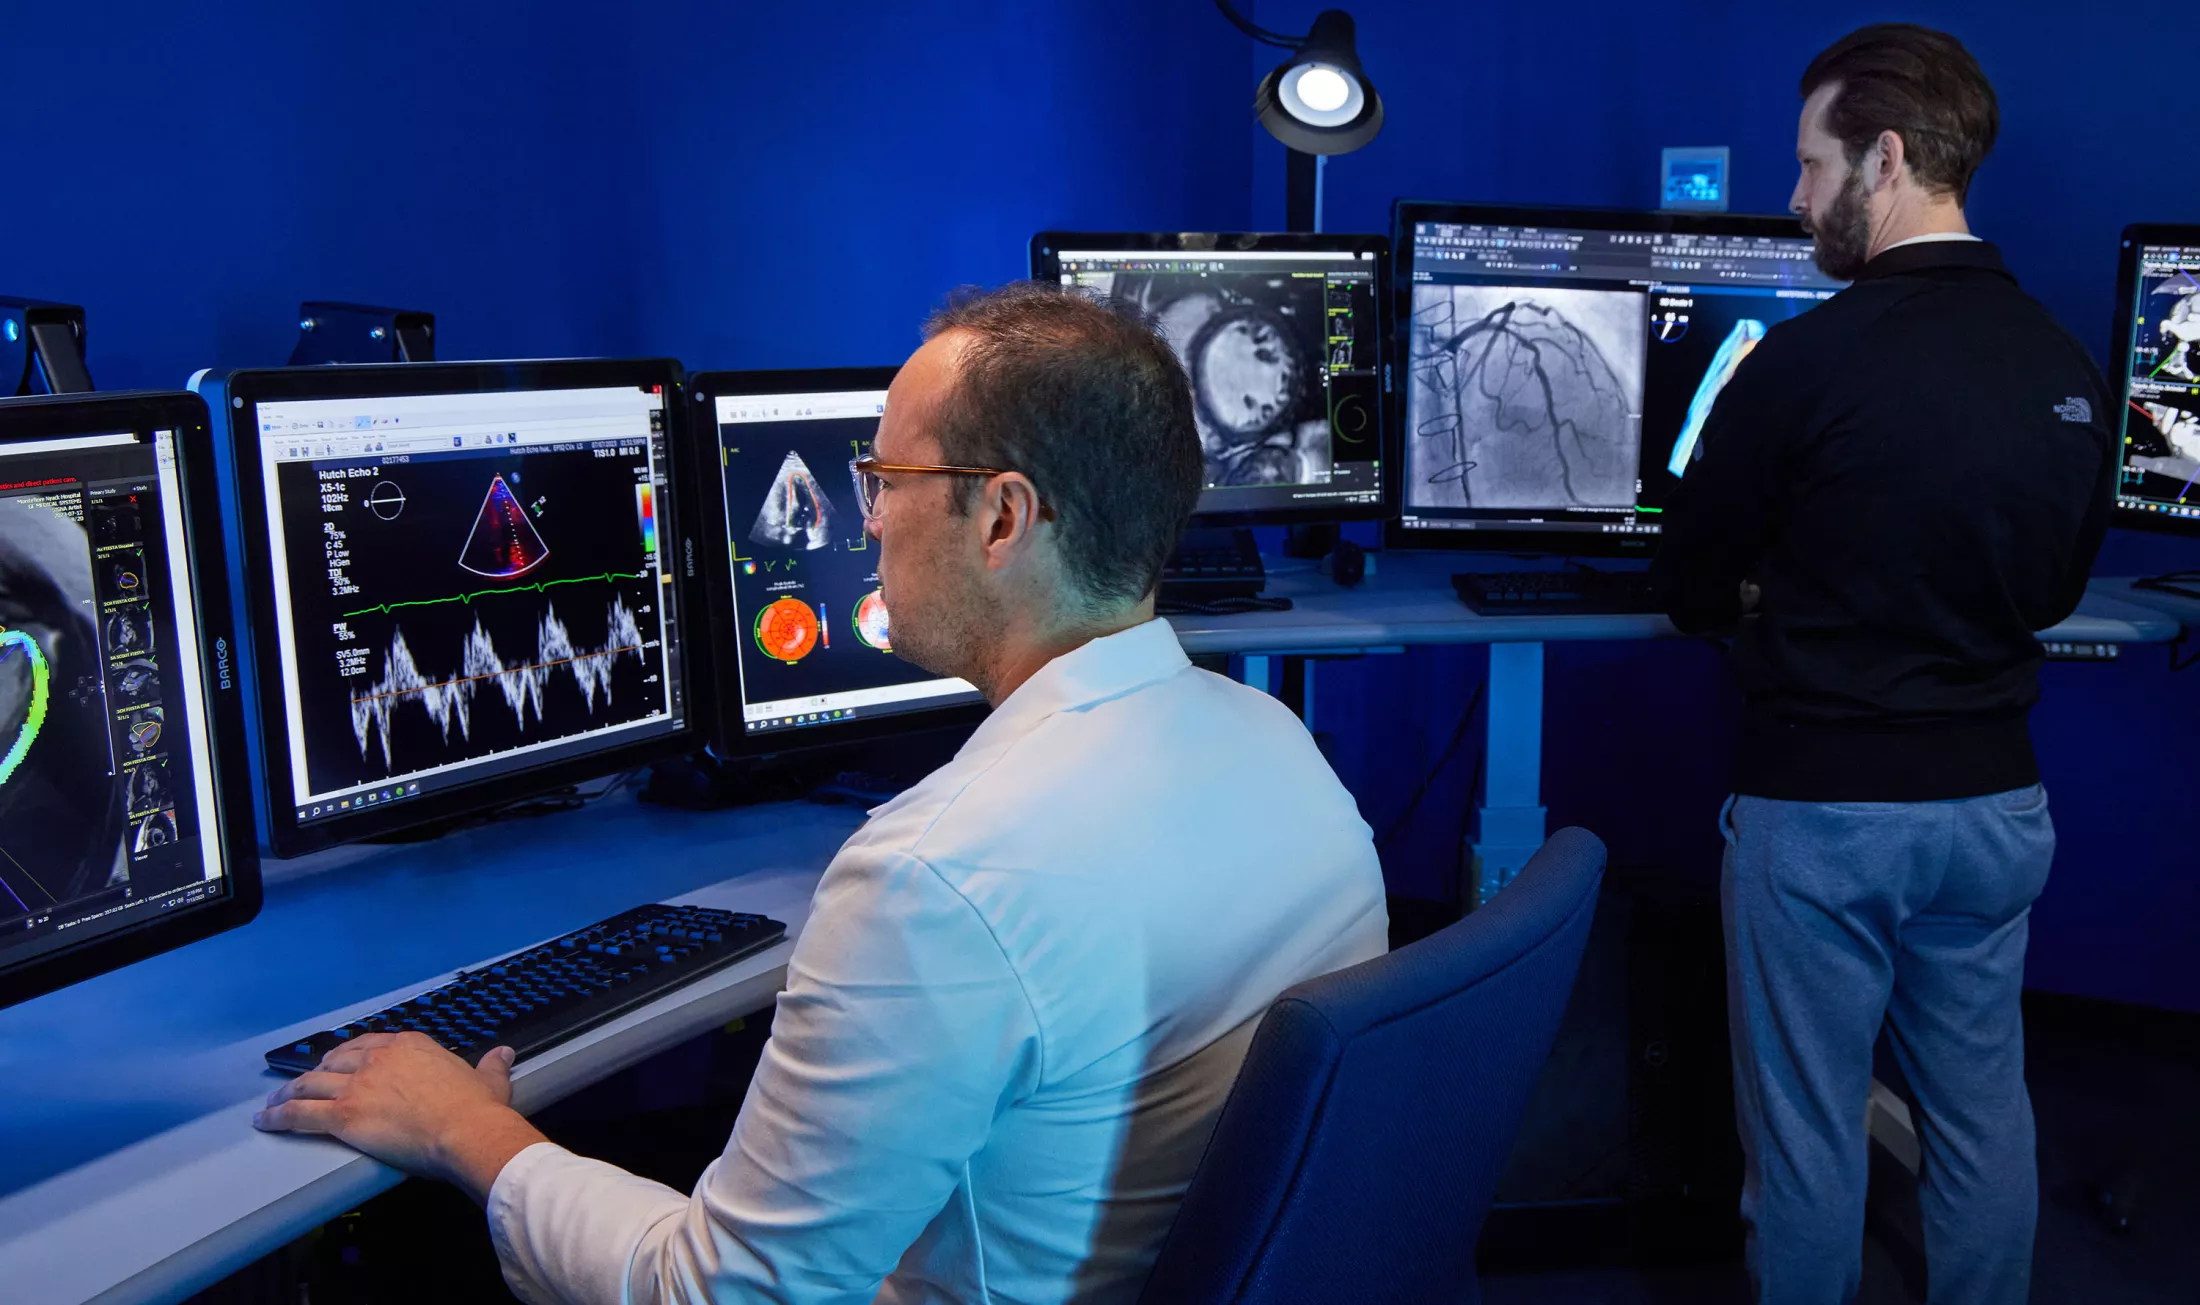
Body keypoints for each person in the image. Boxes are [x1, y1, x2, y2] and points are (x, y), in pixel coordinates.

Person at [253, 284, 1390, 1304]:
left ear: (1001, 517)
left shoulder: (936, 874)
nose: (867, 520)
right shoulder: (1276, 746)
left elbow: (720, 1297)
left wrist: (469, 1131)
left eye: (886, 480)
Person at [1650, 24, 2114, 1305]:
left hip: (1825, 818)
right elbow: (2055, 588)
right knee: (1981, 1115)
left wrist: (1762, 595)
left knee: (1804, 1143)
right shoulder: (2067, 369)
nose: (1793, 198)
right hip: (1995, 813)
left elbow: (1686, 586)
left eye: (1808, 166)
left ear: (1887, 158)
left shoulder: (1800, 366)